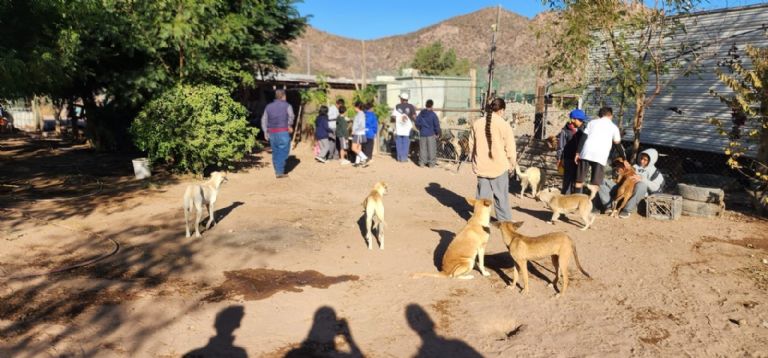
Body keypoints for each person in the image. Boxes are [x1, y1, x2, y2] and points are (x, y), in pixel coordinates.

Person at [468, 98, 516, 222]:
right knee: (501, 197)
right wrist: (512, 163)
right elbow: (510, 147)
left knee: (482, 198)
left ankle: (480, 221)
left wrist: (474, 162)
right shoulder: (504, 125)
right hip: (499, 167)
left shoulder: (477, 123)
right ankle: (505, 223)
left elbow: (471, 145)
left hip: (482, 166)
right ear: (501, 110)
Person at [598, 148, 665, 218]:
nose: (642, 161)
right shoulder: (634, 166)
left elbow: (656, 187)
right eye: (641, 158)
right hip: (622, 188)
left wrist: (642, 179)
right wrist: (622, 169)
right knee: (601, 181)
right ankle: (609, 207)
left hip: (634, 193)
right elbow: (622, 177)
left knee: (642, 185)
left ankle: (627, 210)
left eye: (645, 160)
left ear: (652, 160)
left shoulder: (655, 173)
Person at [574, 106, 621, 195]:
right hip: (600, 156)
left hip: (586, 153)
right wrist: (624, 157)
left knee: (579, 180)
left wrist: (577, 152)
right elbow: (617, 144)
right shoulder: (614, 127)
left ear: (600, 115)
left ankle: (576, 202)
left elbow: (583, 138)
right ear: (611, 115)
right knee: (595, 183)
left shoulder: (592, 123)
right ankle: (592, 205)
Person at [260, 89, 295, 178]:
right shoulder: (287, 105)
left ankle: (277, 170)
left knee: (275, 152)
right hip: (283, 131)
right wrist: (289, 125)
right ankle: (279, 172)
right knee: (283, 151)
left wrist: (265, 131)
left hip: (272, 133)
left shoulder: (268, 106)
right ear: (284, 96)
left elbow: (264, 119)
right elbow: (291, 116)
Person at [557, 109, 588, 194]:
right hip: (568, 159)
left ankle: (576, 201)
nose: (582, 122)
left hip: (580, 159)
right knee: (567, 181)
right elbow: (561, 146)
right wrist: (560, 159)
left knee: (578, 181)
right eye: (580, 120)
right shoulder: (565, 130)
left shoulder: (585, 130)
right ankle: (565, 201)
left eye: (582, 120)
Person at [415, 99, 441, 167]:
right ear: (432, 106)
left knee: (422, 149)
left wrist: (420, 128)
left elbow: (417, 122)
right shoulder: (433, 114)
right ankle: (431, 164)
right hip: (431, 134)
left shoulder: (421, 113)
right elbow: (436, 125)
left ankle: (422, 163)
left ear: (426, 105)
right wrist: (437, 133)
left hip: (423, 133)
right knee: (431, 149)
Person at [393, 92, 416, 163]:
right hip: (407, 128)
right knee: (406, 143)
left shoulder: (397, 106)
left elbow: (393, 116)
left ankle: (399, 158)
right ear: (407, 99)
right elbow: (414, 116)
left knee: (399, 143)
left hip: (399, 128)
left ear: (401, 99)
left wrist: (398, 121)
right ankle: (404, 158)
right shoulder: (411, 106)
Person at [351, 101, 369, 166]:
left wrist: (354, 130)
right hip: (360, 133)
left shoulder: (360, 114)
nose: (354, 108)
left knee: (353, 148)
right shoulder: (361, 114)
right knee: (358, 148)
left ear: (357, 107)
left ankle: (365, 158)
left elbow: (361, 125)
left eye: (355, 106)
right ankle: (357, 162)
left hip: (358, 133)